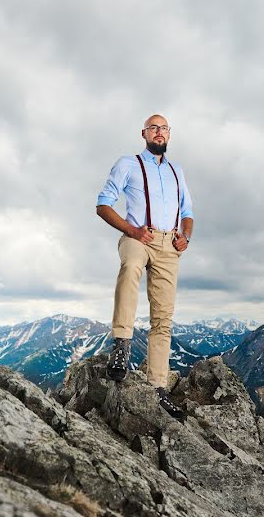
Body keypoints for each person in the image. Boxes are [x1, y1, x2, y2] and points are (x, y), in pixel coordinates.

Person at [95, 114, 194, 421]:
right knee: (130, 270)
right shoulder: (128, 163)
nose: (159, 132)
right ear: (144, 133)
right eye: (154, 127)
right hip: (138, 236)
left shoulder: (177, 170)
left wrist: (185, 237)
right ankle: (121, 347)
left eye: (164, 128)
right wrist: (132, 230)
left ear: (169, 134)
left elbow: (187, 211)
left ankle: (158, 387)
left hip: (168, 245)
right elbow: (103, 203)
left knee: (164, 316)